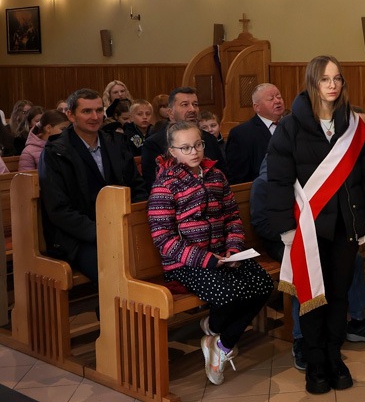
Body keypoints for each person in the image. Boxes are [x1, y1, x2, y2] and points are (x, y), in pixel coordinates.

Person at [267, 55, 365, 395]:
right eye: (325, 79)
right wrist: (285, 227)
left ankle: (335, 357)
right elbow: (277, 181)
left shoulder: (353, 126)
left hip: (346, 226)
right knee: (312, 297)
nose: (332, 85)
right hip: (308, 229)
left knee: (338, 295)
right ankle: (316, 361)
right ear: (312, 83)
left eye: (337, 79)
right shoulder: (290, 127)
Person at [148, 121, 273, 386]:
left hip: (223, 255)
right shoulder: (165, 185)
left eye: (198, 145)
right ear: (172, 151)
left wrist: (233, 248)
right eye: (185, 147)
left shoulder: (216, 176)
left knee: (263, 285)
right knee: (229, 296)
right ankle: (217, 332)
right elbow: (164, 239)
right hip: (186, 262)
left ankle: (220, 341)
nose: (193, 151)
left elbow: (232, 217)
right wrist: (205, 259)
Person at [250, 153, 365, 375]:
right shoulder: (264, 183)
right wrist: (296, 235)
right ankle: (301, 338)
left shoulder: (308, 177)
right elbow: (261, 223)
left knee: (353, 258)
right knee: (303, 266)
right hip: (282, 240)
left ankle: (356, 321)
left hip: (313, 235)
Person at [39, 89, 147, 285]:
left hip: (121, 226)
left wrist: (136, 222)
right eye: (87, 111)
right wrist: (101, 232)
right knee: (114, 272)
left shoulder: (115, 142)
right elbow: (58, 209)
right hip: (79, 237)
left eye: (99, 110)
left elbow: (136, 185)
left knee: (154, 257)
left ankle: (140, 310)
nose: (95, 117)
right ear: (71, 115)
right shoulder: (56, 152)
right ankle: (115, 312)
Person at [141, 87, 227, 191]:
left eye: (195, 104)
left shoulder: (209, 139)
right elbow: (153, 185)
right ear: (170, 112)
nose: (192, 109)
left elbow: (224, 176)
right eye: (185, 105)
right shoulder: (153, 144)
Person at [225, 83, 286, 184]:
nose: (277, 101)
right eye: (271, 99)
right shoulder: (241, 134)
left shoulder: (293, 125)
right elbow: (239, 177)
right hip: (263, 191)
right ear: (257, 107)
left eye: (279, 97)